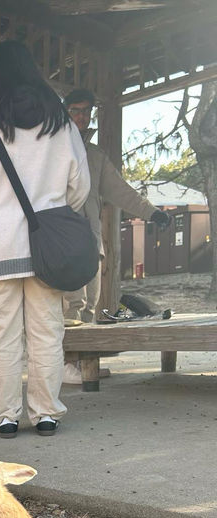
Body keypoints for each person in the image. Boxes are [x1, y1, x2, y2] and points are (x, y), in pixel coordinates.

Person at [0, 41, 90, 438]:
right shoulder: (61, 123)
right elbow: (79, 187)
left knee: (0, 336)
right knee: (47, 332)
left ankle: (4, 416)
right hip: (46, 250)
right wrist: (52, 214)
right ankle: (47, 412)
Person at [62, 87, 171, 383]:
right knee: (72, 304)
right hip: (62, 240)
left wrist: (153, 213)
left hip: (90, 241)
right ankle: (64, 365)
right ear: (64, 112)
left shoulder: (95, 155)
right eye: (75, 110)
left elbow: (120, 190)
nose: (81, 116)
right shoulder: (52, 148)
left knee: (90, 303)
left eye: (86, 110)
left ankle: (82, 364)